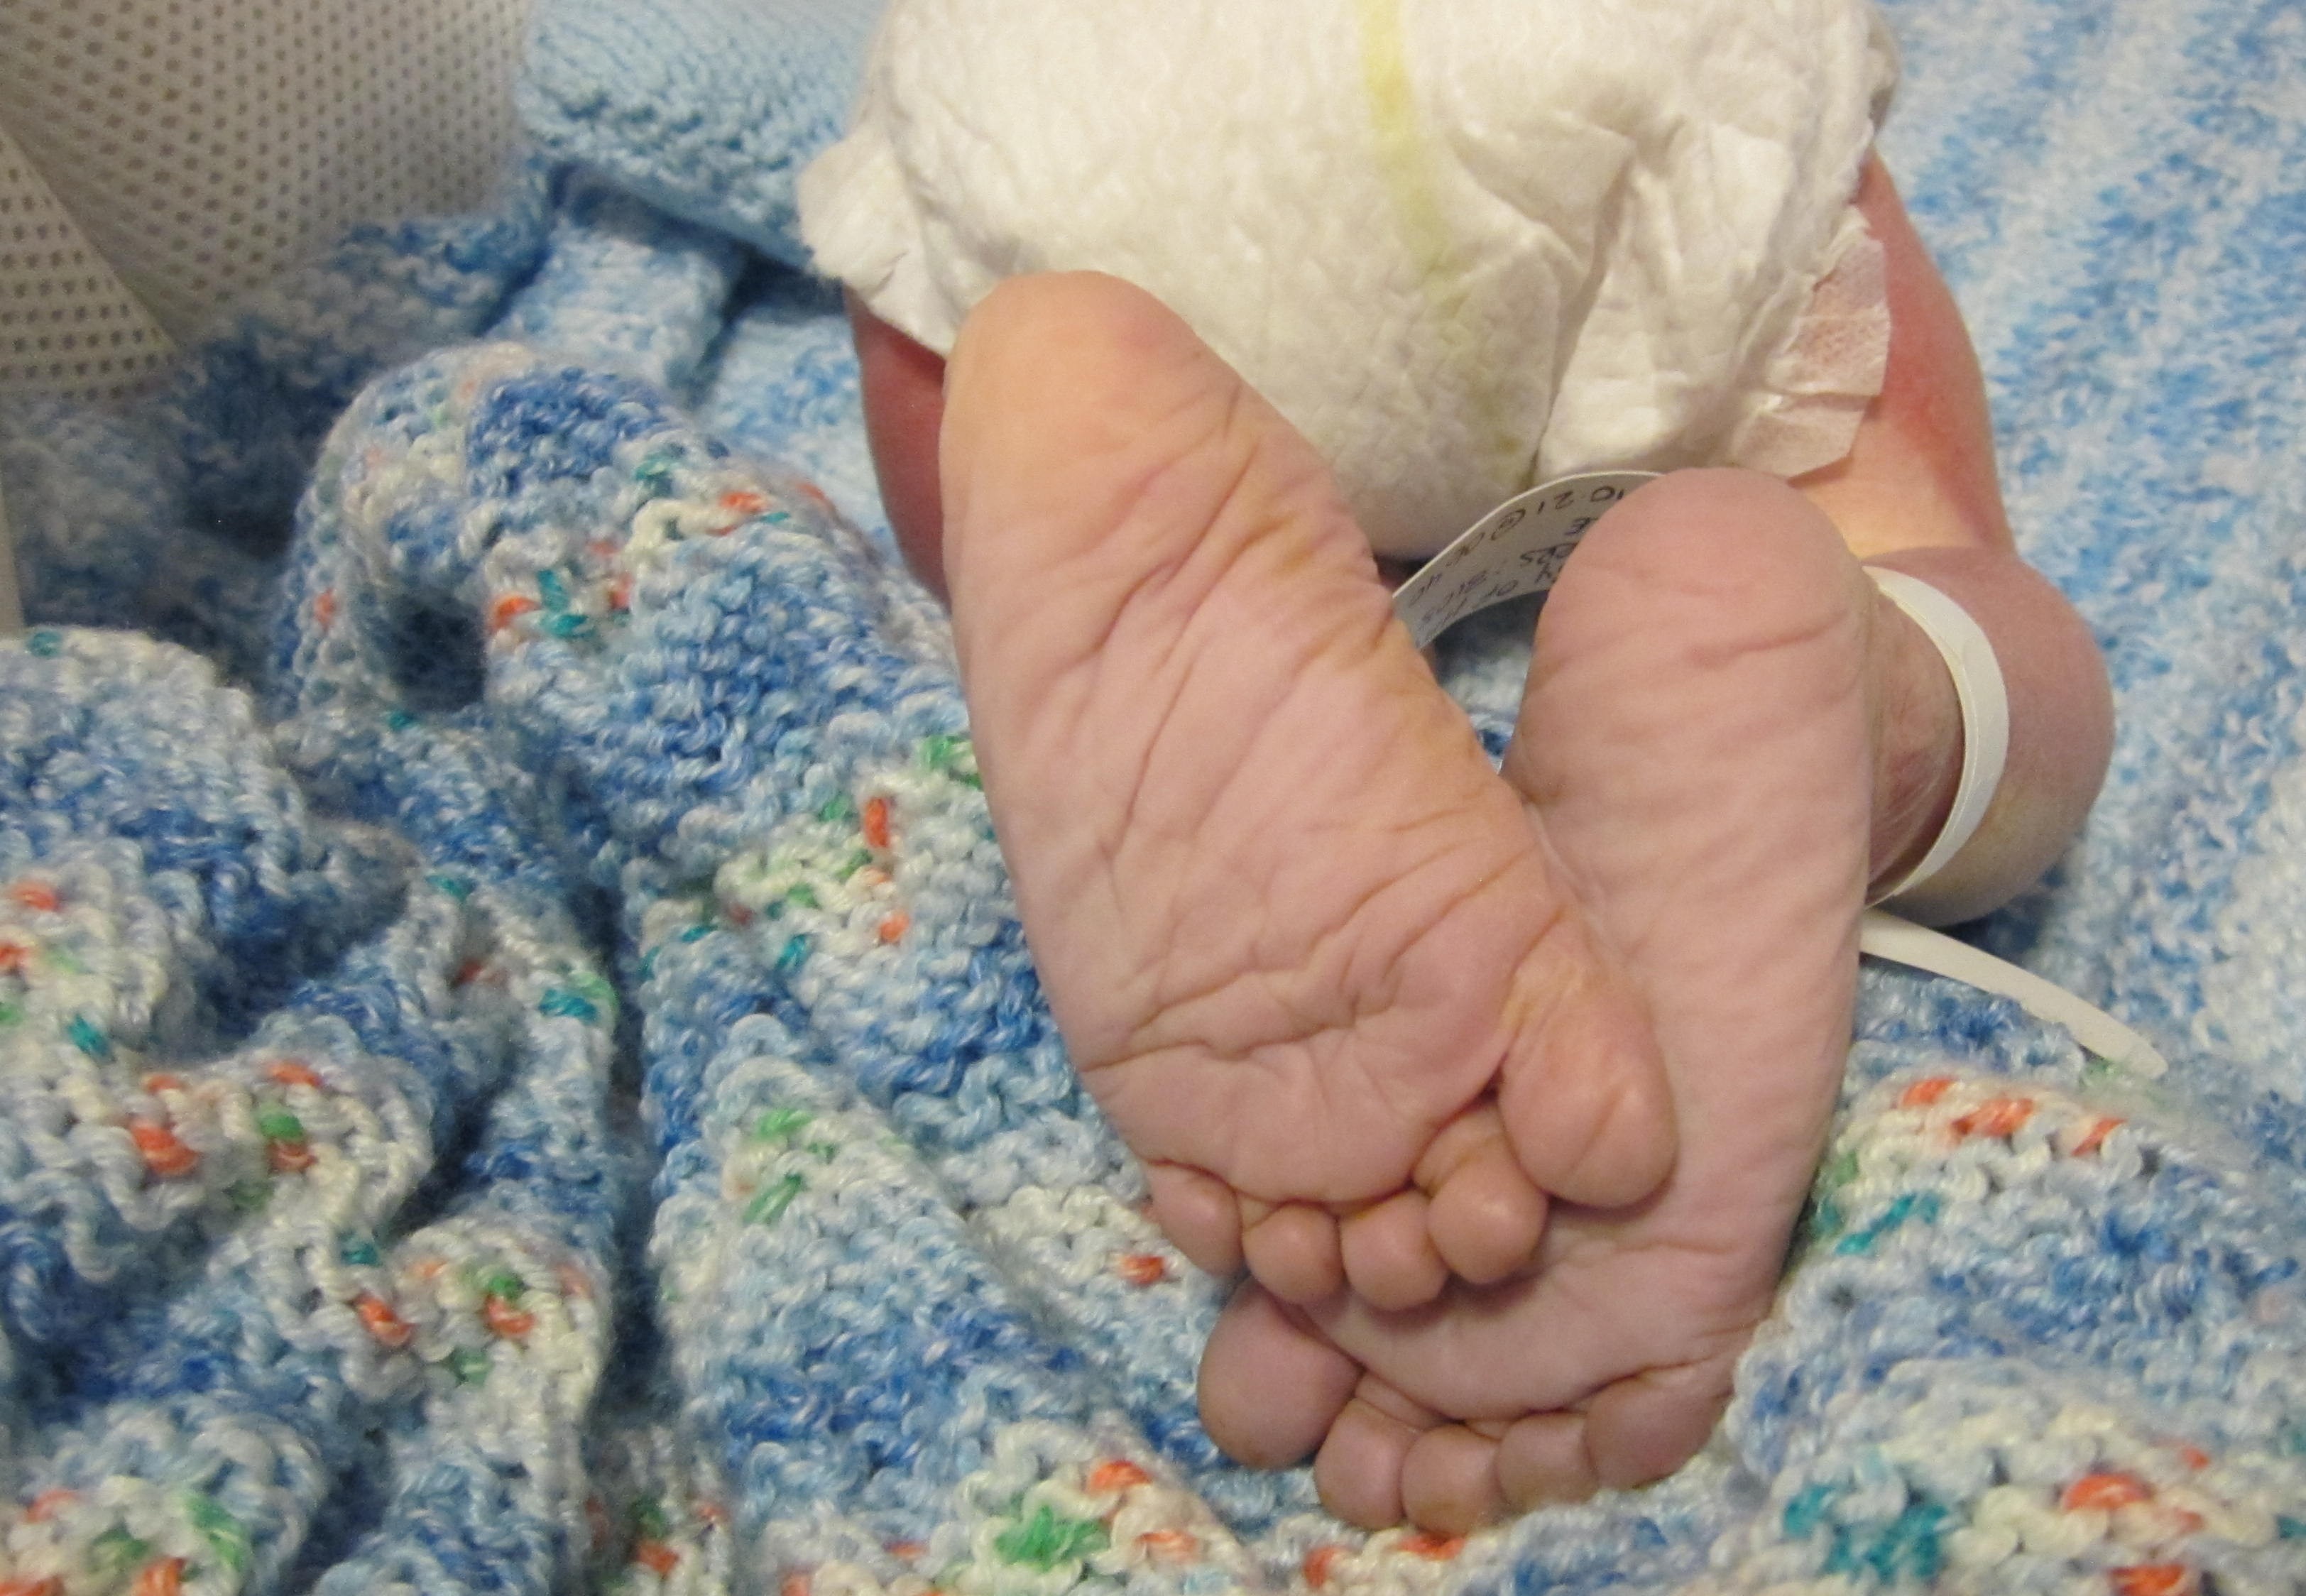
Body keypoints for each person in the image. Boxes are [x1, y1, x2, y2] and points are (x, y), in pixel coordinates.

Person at [796, 0, 2112, 1535]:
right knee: (1927, 563)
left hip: (1072, 106)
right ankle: (1887, 706)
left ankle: (1064, 537)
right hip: (1601, 69)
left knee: (1019, 367)